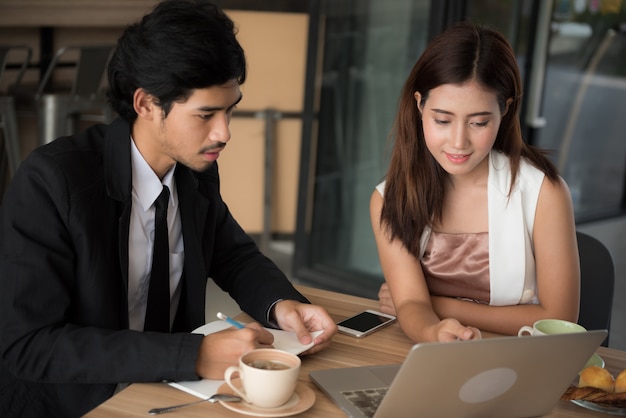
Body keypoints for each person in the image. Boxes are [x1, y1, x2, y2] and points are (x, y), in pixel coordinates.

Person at [0, 1, 337, 416]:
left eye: (229, 110)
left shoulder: (193, 169)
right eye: (205, 114)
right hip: (77, 403)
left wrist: (282, 306)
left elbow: (231, 254)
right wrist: (192, 355)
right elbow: (27, 344)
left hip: (172, 396)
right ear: (145, 104)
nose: (224, 132)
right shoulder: (52, 182)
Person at [370, 22, 579, 344]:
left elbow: (558, 319)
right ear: (419, 105)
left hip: (519, 364)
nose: (458, 142)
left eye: (479, 122)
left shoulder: (542, 192)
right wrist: (431, 329)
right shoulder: (391, 198)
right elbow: (411, 304)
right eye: (442, 120)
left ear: (504, 111)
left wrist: (435, 306)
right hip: (432, 356)